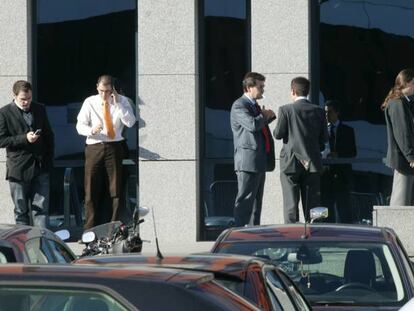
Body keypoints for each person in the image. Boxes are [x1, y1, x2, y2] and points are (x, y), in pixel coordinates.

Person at [76, 75, 136, 230]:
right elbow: (79, 126)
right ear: (97, 87)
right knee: (91, 189)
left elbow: (130, 122)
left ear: (113, 90)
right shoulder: (90, 102)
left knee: (115, 189)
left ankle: (113, 228)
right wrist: (91, 130)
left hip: (114, 146)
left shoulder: (122, 101)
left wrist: (117, 105)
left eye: (108, 91)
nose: (104, 94)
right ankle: (89, 229)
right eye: (102, 90)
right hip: (94, 146)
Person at [0, 80, 54, 227]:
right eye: (22, 99)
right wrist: (24, 138)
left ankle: (42, 243)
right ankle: (23, 246)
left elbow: (49, 136)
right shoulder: (4, 113)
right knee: (21, 211)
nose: (26, 102)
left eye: (29, 99)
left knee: (41, 210)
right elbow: (1, 140)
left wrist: (48, 161)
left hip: (40, 166)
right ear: (14, 95)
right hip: (18, 169)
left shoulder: (39, 109)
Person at [274, 77, 328, 223]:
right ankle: (317, 234)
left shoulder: (286, 110)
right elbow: (324, 139)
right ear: (308, 91)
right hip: (313, 162)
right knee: (314, 206)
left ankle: (292, 237)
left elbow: (278, 134)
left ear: (293, 91)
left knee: (290, 205)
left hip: (290, 162)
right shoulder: (319, 111)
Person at [230, 72, 276, 227]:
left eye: (263, 86)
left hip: (259, 161)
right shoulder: (239, 105)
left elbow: (258, 127)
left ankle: (254, 235)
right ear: (249, 87)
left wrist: (266, 116)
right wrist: (264, 115)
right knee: (245, 202)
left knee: (256, 204)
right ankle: (239, 237)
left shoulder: (253, 106)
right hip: (248, 162)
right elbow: (252, 125)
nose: (263, 90)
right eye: (260, 86)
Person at [382, 68, 414, 206]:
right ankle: (395, 227)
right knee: (400, 201)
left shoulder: (401, 102)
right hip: (403, 161)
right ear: (407, 83)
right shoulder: (398, 103)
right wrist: (410, 156)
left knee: (404, 200)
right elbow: (402, 133)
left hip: (404, 160)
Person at [321, 99, 357, 223]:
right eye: (324, 113)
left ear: (337, 113)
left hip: (342, 175)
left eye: (329, 112)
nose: (326, 115)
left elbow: (353, 152)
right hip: (325, 174)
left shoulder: (347, 130)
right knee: (327, 207)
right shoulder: (321, 130)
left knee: (344, 207)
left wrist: (339, 155)